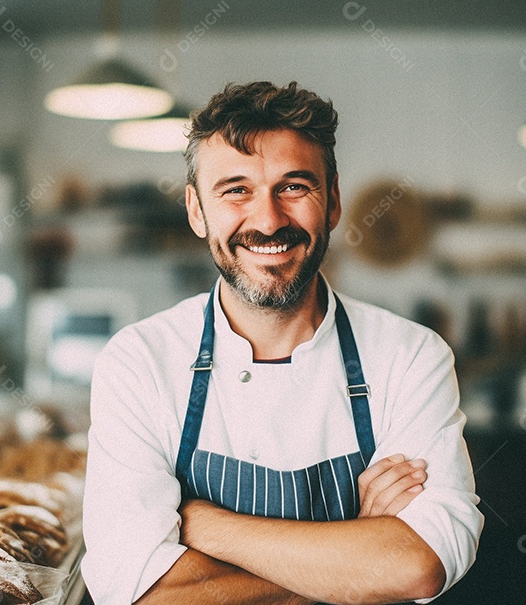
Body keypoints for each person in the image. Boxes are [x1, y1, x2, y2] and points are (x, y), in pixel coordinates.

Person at [82, 81, 483, 605]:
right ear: (197, 210)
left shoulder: (410, 357)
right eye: (236, 190)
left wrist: (205, 525)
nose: (269, 221)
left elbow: (418, 565)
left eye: (293, 187)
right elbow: (137, 593)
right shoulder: (139, 362)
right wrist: (355, 550)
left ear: (332, 202)